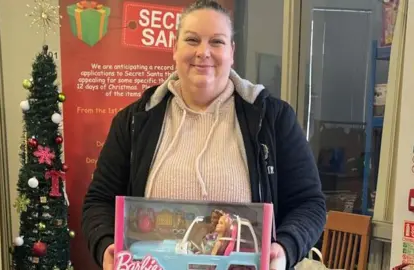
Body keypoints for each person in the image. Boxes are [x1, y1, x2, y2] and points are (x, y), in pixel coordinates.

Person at [81, 0, 326, 269]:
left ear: (232, 51)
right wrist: (105, 244)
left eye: (217, 42)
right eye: (192, 40)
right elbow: (99, 201)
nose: (203, 52)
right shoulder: (133, 121)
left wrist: (285, 248)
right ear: (174, 48)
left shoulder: (273, 119)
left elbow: (309, 204)